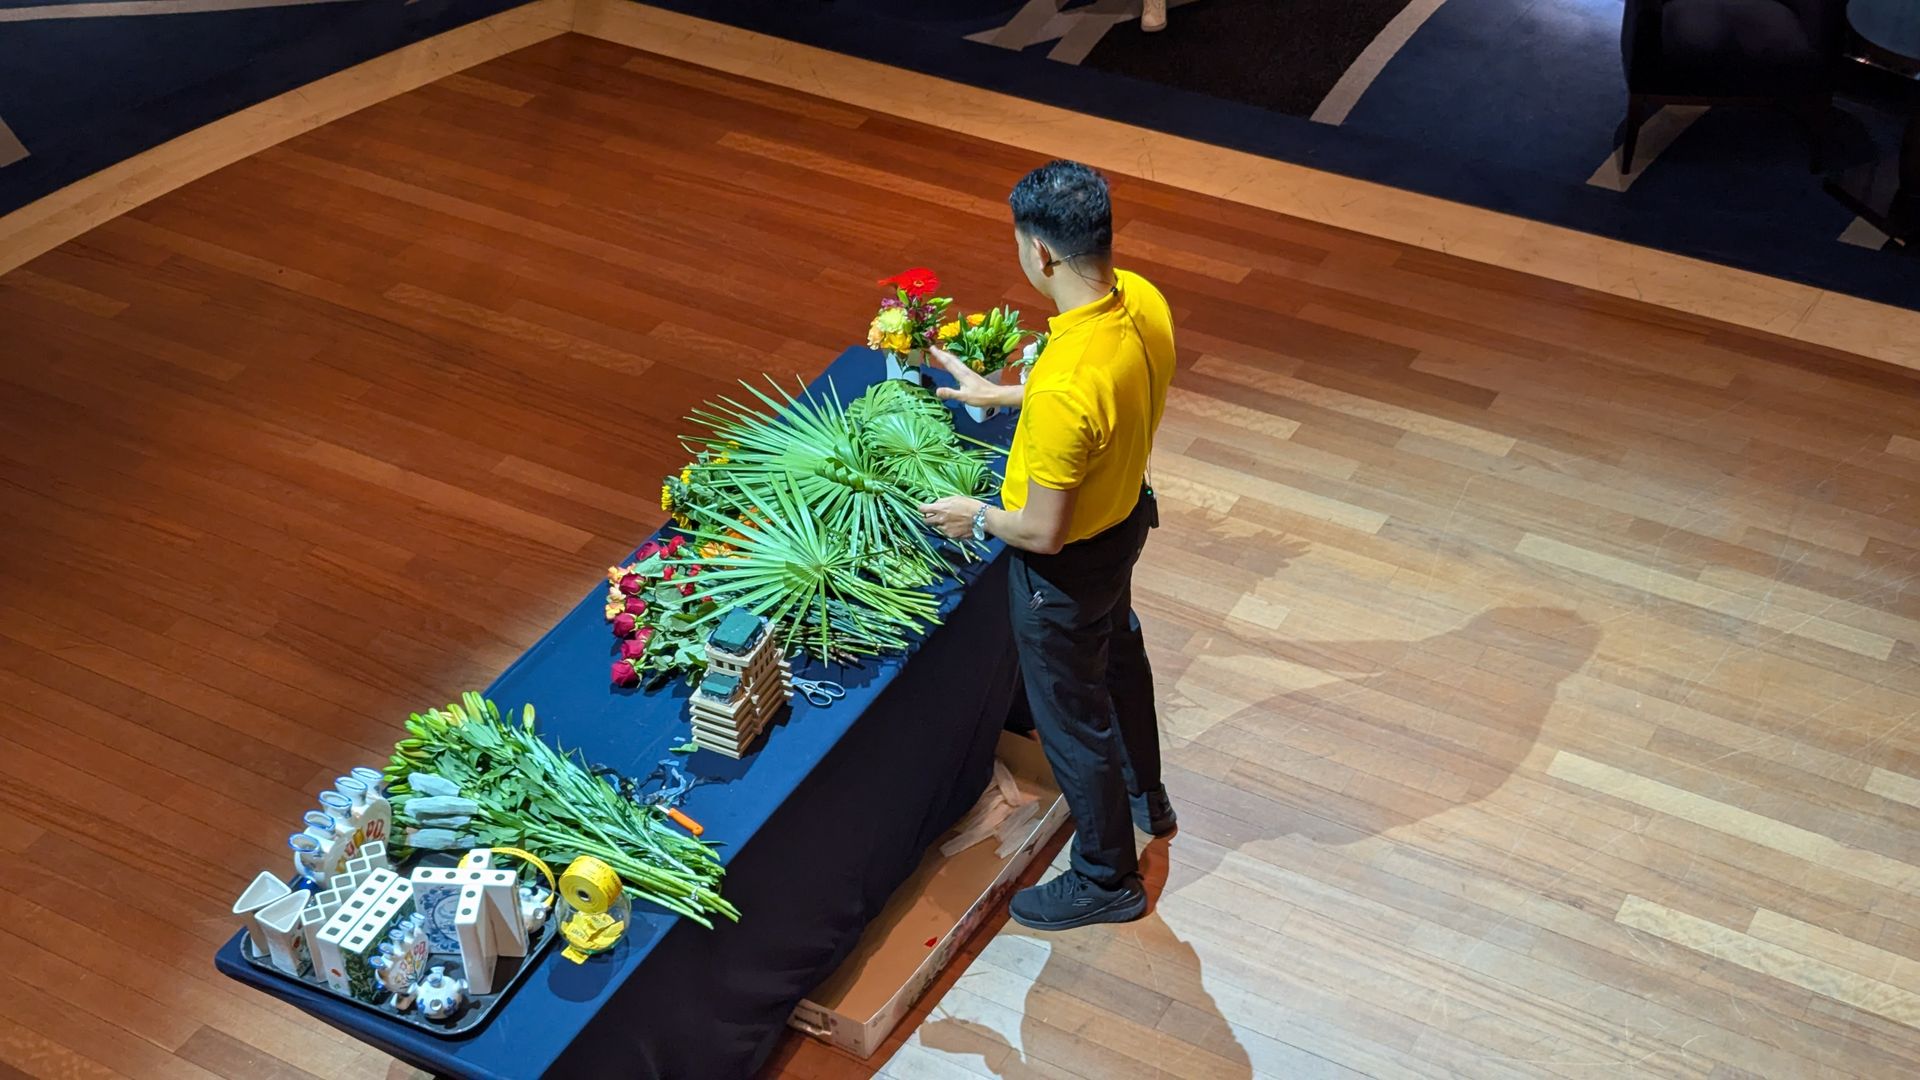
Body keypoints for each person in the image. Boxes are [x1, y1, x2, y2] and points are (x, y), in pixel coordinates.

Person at [919, 160, 1177, 932]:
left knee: (1071, 716)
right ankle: (1146, 796)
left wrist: (977, 515)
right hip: (1125, 521)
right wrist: (1001, 391)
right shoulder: (1141, 300)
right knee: (1120, 652)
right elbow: (1100, 392)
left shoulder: (1066, 385)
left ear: (1039, 251)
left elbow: (1041, 528)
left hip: (1064, 570)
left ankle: (1106, 878)